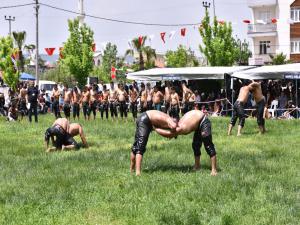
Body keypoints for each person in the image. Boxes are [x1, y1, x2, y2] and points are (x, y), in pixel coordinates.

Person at [155, 110, 217, 176]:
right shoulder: (177, 124)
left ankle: (214, 170)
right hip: (198, 122)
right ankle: (197, 166)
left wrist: (155, 129)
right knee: (196, 145)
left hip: (204, 121)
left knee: (208, 145)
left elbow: (169, 135)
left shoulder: (181, 127)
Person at [130, 110, 177, 176]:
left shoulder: (167, 118)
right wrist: (173, 133)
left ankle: (131, 170)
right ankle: (138, 173)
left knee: (136, 145)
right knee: (140, 147)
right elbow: (174, 126)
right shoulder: (170, 120)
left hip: (143, 117)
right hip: (145, 120)